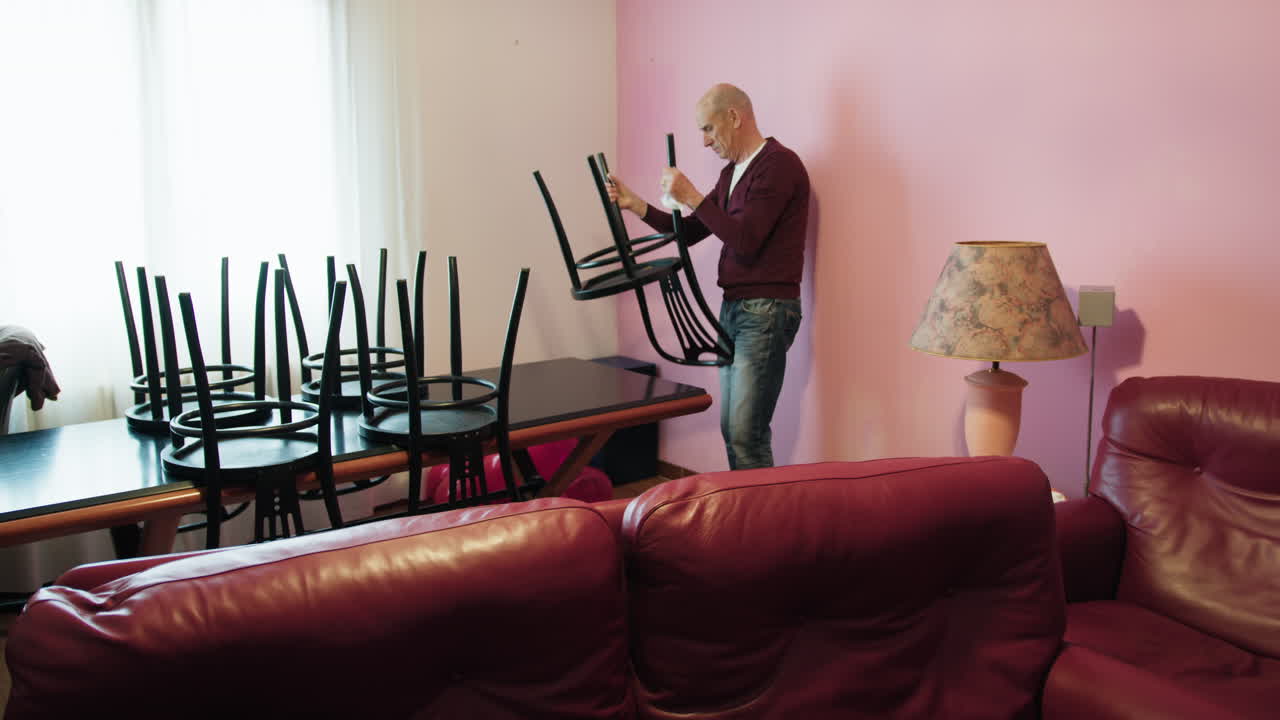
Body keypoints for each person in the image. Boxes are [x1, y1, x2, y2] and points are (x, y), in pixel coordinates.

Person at [607, 83, 810, 470]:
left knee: (746, 434)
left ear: (733, 116)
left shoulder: (779, 165)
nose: (704, 141)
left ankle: (760, 510)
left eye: (708, 128)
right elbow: (691, 230)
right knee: (734, 431)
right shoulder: (732, 173)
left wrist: (692, 196)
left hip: (766, 311)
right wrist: (636, 205)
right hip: (735, 310)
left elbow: (745, 241)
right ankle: (745, 506)